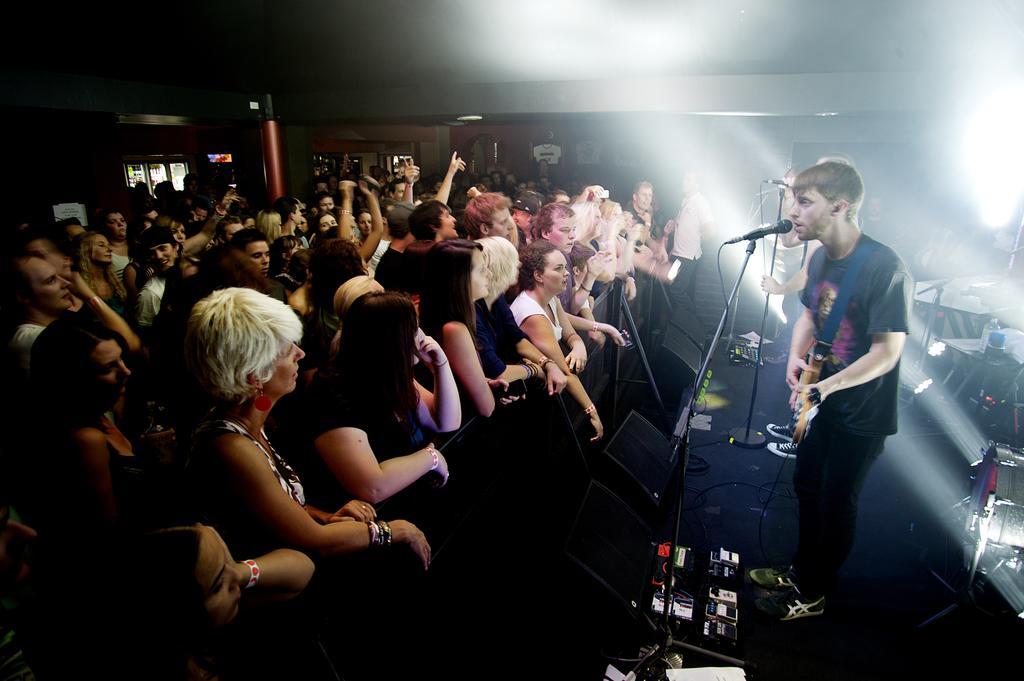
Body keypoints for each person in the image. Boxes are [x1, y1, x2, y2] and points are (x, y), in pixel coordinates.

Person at [749, 161, 910, 621]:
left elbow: (886, 352)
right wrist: (798, 367)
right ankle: (801, 570)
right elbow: (807, 317)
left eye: (804, 201)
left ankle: (815, 592)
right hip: (821, 400)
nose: (792, 210)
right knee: (806, 486)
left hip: (861, 412)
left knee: (837, 501)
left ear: (839, 206)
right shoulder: (818, 256)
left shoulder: (884, 265)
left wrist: (825, 389)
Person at [184, 287, 431, 565]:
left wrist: (326, 516)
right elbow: (315, 541)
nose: (300, 353)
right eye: (286, 349)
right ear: (255, 374)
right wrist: (392, 530)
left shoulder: (253, 413)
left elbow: (282, 507)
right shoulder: (232, 447)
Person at [308, 291, 460, 507]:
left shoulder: (390, 373)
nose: (422, 337)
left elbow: (446, 422)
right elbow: (372, 486)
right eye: (414, 329)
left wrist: (440, 366)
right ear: (392, 339)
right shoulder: (333, 392)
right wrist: (431, 458)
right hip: (380, 515)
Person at [511, 240, 604, 442]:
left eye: (565, 267)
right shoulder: (532, 314)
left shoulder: (550, 297)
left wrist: (579, 345)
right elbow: (564, 370)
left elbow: (571, 335)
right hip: (529, 404)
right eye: (559, 268)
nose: (567, 273)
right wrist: (592, 411)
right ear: (538, 275)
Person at [419, 239, 513, 417]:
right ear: (459, 279)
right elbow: (486, 408)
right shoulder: (454, 329)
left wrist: (487, 384)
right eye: (481, 269)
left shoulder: (453, 319)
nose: (489, 274)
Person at [475, 236, 568, 395]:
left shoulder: (497, 299)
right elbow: (497, 371)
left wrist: (547, 363)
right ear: (498, 267)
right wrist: (534, 369)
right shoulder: (474, 312)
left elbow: (518, 339)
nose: (519, 264)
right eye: (513, 260)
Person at [664, 171, 716, 313]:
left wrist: (695, 241)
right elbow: (684, 224)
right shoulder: (685, 200)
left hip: (687, 257)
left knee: (677, 290)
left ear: (697, 184)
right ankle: (680, 322)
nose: (684, 182)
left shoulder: (701, 202)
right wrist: (674, 224)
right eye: (684, 178)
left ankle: (692, 320)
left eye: (688, 180)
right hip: (677, 254)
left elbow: (710, 229)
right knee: (673, 286)